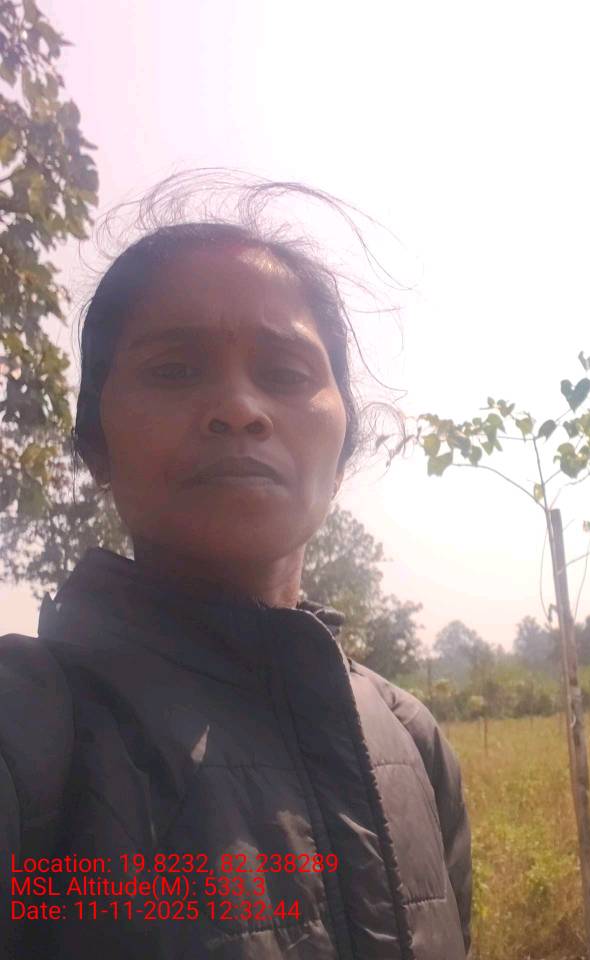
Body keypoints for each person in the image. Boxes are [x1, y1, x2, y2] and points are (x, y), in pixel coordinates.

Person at [0, 175, 472, 959]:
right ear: (95, 447)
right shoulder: (26, 732)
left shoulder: (410, 740)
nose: (239, 409)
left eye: (286, 374)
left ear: (343, 450)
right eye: (174, 369)